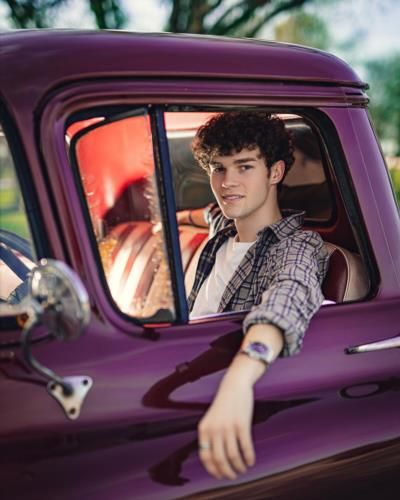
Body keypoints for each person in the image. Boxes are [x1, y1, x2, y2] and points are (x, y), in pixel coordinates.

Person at [179, 112, 329, 480]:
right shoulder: (222, 229)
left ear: (275, 173)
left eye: (244, 167)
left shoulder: (296, 247)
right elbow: (210, 213)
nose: (228, 183)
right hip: (180, 367)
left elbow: (286, 300)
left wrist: (238, 383)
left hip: (214, 387)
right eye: (218, 168)